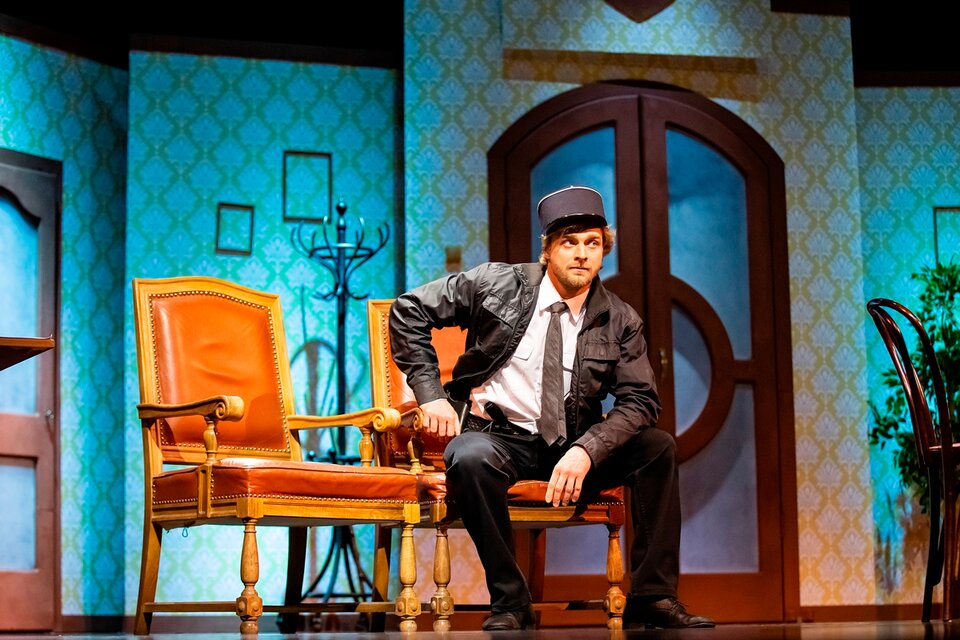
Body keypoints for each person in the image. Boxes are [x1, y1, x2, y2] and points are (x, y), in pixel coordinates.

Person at [389, 185, 714, 631]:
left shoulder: (620, 319)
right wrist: (431, 395)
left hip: (574, 446)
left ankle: (653, 596)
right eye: (569, 242)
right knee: (468, 456)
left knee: (657, 448)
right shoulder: (496, 284)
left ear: (603, 251)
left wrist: (587, 450)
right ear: (547, 250)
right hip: (499, 439)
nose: (581, 254)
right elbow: (408, 311)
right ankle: (510, 600)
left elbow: (640, 401)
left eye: (592, 243)